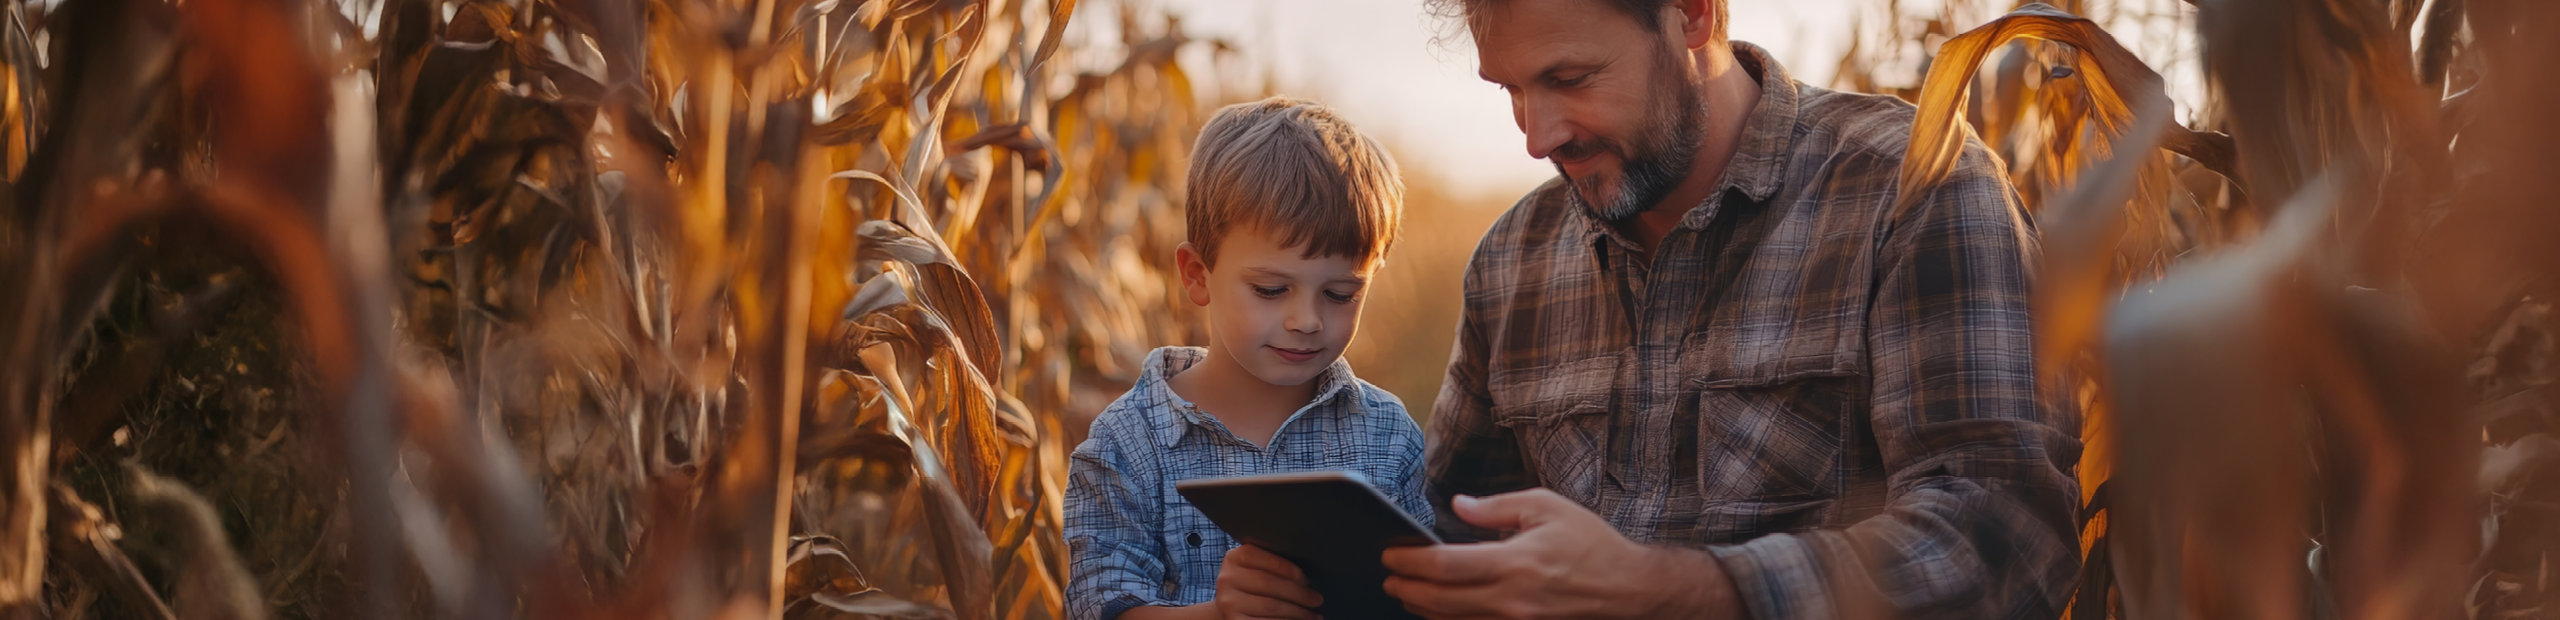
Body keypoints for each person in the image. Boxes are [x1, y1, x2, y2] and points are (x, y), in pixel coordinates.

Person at [1379, 0, 2084, 618]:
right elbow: (1440, 530)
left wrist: (1669, 591)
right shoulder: (1513, 260)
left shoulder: (1914, 190)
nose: (1538, 137)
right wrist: (1301, 586)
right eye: (1512, 90)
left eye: (1569, 80)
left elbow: (2006, 536)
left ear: (1692, 13)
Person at [1064, 97, 1427, 620]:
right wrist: (1218, 614)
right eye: (1272, 289)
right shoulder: (1127, 445)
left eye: (1341, 295)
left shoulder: (1389, 436)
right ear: (1196, 274)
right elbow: (1098, 605)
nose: (1307, 320)